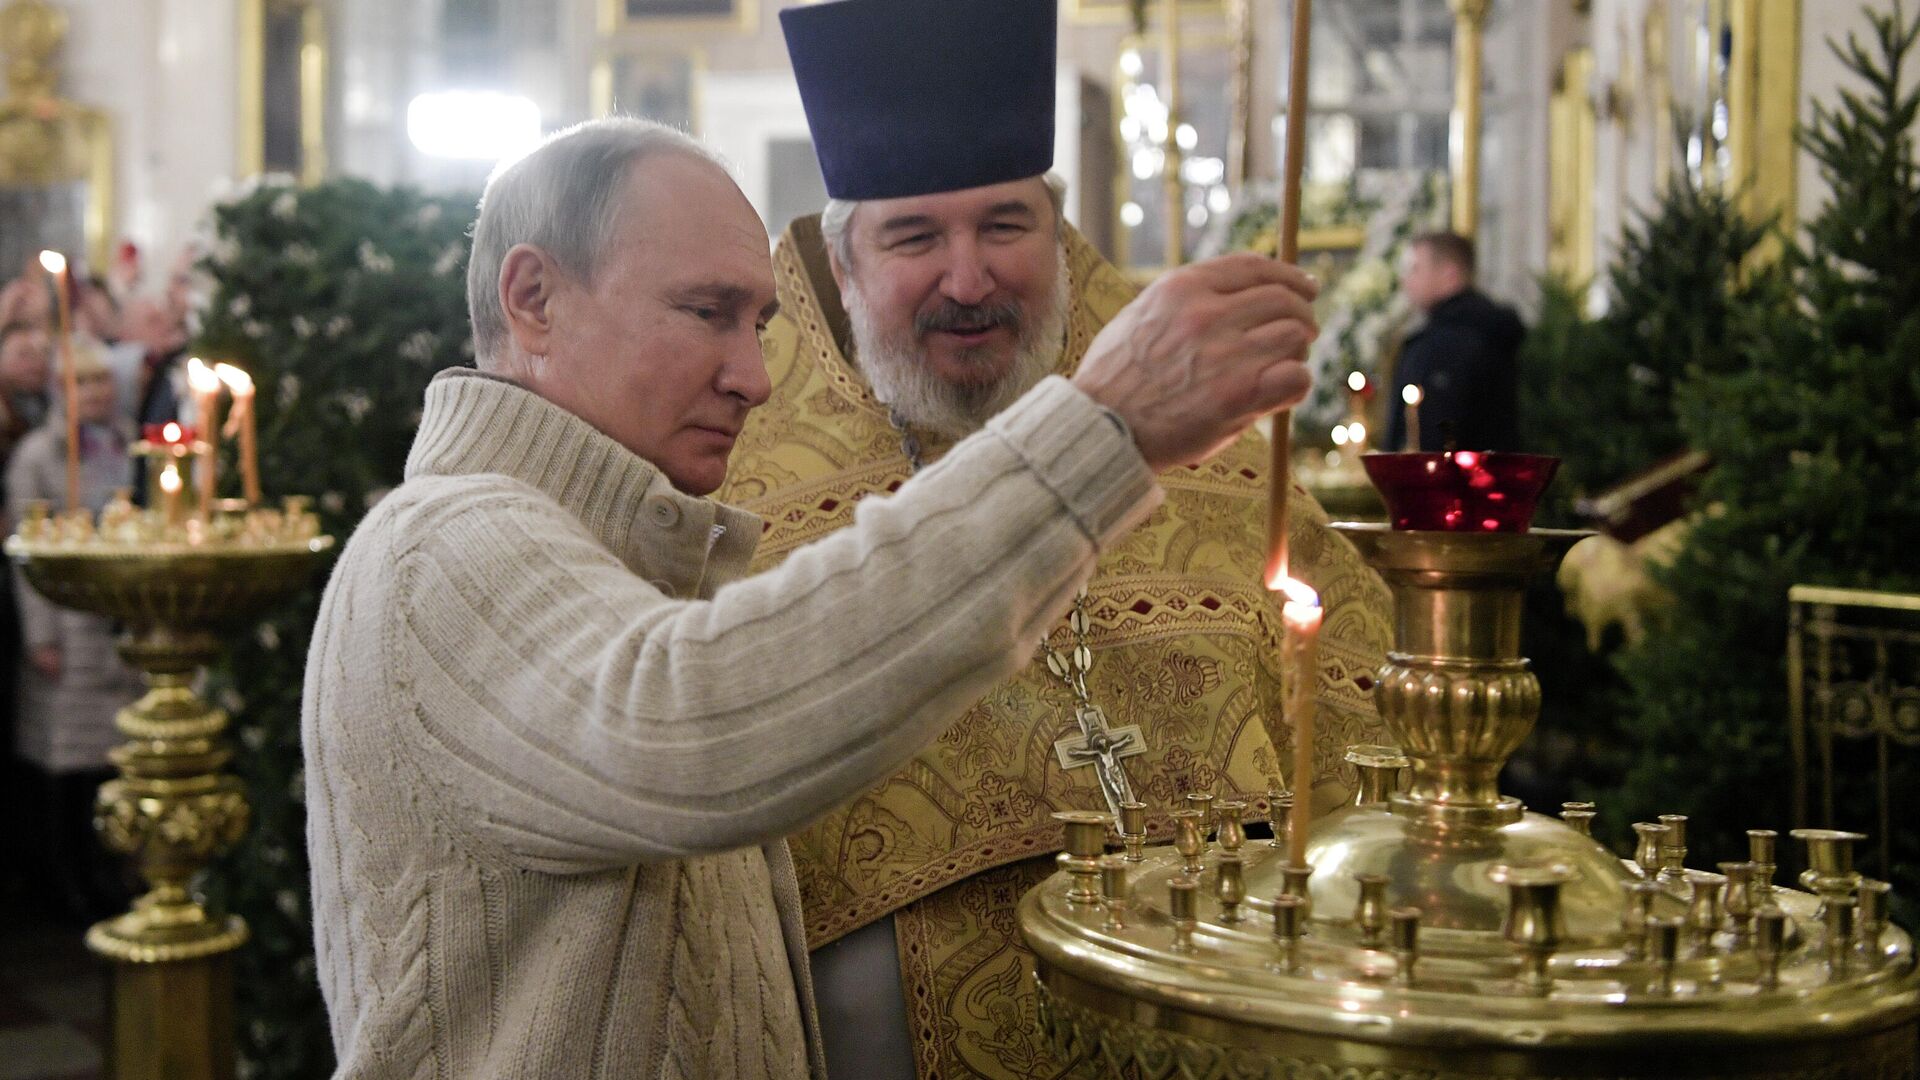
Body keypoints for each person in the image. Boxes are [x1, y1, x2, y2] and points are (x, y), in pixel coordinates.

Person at [305, 115, 1323, 1079]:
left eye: (759, 323)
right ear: (533, 299)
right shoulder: (439, 544)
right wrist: (1099, 433)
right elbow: (689, 725)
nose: (754, 376)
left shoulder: (600, 554)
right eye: (708, 314)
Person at [705, 2, 1391, 1076]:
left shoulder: (1206, 425)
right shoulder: (741, 466)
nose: (969, 279)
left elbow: (1352, 703)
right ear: (844, 264)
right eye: (916, 237)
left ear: (1058, 230)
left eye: (1004, 227)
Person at [5, 341, 142, 918]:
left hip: (119, 617)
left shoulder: (124, 442)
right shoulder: (39, 455)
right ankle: (65, 881)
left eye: (102, 382)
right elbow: (25, 548)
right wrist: (40, 634)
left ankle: (108, 872)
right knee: (66, 763)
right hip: (66, 619)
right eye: (83, 384)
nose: (96, 394)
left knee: (110, 758)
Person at [1388, 230, 1526, 452]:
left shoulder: (1445, 346)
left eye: (1415, 269)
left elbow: (1431, 438)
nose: (1406, 280)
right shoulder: (1494, 331)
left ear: (1449, 275)